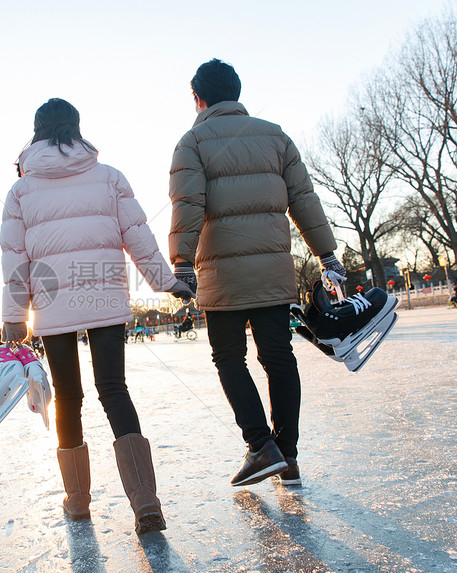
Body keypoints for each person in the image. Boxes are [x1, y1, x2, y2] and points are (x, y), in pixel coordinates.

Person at [0, 98, 194, 534]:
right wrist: (166, 281)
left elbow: (15, 258)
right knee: (114, 390)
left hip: (50, 304)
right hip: (103, 295)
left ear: (37, 132)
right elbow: (137, 236)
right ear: (76, 128)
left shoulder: (21, 191)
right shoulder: (109, 177)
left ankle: (78, 501)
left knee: (68, 398)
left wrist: (15, 315)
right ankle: (145, 502)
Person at [168, 59, 343, 488]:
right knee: (278, 357)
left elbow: (187, 207)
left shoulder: (192, 142)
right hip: (271, 267)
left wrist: (181, 263)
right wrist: (327, 255)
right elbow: (303, 198)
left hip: (221, 275)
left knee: (229, 358)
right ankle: (289, 456)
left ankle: (260, 445)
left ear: (198, 98)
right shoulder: (274, 135)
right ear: (237, 93)